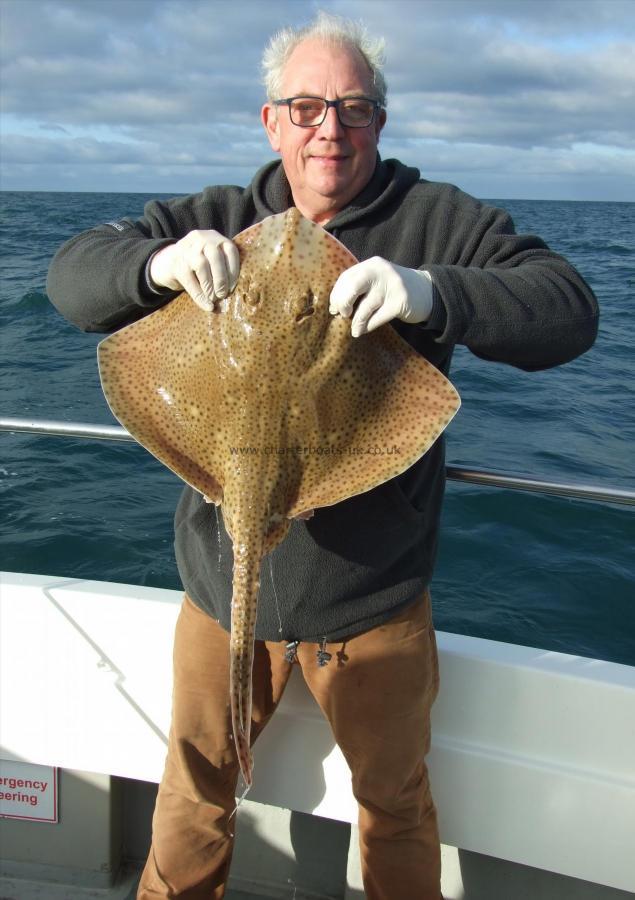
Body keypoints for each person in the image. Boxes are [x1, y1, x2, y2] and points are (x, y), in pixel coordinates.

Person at [47, 12, 598, 900]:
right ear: (272, 120)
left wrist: (431, 292)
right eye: (304, 108)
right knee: (194, 793)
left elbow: (567, 310)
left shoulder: (437, 220)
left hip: (372, 598)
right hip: (221, 583)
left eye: (352, 108)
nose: (328, 129)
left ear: (381, 120)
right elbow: (74, 276)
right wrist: (155, 267)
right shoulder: (220, 216)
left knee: (394, 805)